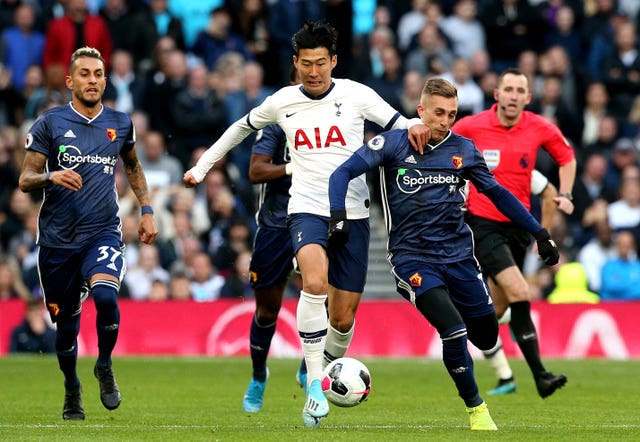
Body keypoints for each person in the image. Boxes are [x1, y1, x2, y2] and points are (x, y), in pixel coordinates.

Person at [184, 21, 429, 428]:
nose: (314, 72)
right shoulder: (281, 102)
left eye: (321, 63)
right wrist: (202, 165)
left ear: (333, 61)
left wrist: (417, 126)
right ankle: (315, 386)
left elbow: (398, 124)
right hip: (306, 209)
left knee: (344, 319)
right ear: (295, 63)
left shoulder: (357, 94)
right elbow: (241, 128)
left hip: (353, 212)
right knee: (313, 283)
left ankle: (318, 365)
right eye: (306, 64)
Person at [327, 77, 560, 430]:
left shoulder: (464, 150)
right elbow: (342, 173)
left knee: (487, 335)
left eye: (451, 114)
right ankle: (477, 410)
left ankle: (470, 338)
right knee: (453, 331)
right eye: (438, 113)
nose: (445, 121)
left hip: (460, 259)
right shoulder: (392, 144)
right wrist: (338, 217)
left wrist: (539, 232)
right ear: (421, 111)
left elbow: (497, 194)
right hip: (412, 259)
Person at [18, 47, 158, 420]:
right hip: (57, 241)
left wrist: (146, 210)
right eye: (84, 74)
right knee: (66, 326)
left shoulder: (120, 123)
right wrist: (51, 175)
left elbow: (133, 166)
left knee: (106, 297)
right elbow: (25, 179)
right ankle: (71, 388)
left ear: (105, 80)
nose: (92, 80)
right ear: (70, 81)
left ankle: (105, 364)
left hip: (102, 232)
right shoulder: (49, 123)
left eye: (98, 73)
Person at [452, 67, 576, 398]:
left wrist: (566, 195)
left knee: (496, 309)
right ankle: (541, 376)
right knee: (521, 292)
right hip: (482, 224)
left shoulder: (538, 127)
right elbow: (441, 142)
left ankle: (455, 334)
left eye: (520, 91)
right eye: (508, 89)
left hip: (519, 228)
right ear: (497, 94)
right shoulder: (471, 126)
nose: (513, 96)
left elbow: (567, 157)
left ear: (528, 98)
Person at [241, 67, 298, 413]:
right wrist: (294, 166)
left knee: (321, 293)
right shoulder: (276, 125)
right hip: (276, 223)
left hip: (316, 220)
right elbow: (255, 171)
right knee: (267, 310)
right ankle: (259, 374)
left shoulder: (331, 125)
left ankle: (309, 367)